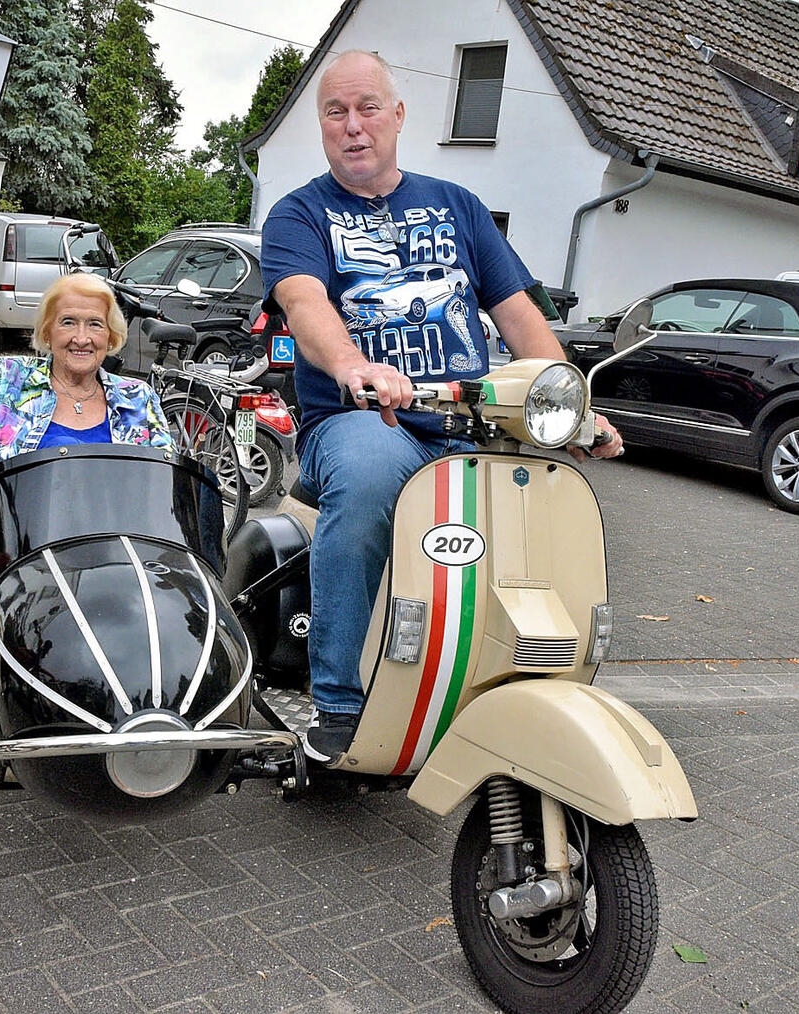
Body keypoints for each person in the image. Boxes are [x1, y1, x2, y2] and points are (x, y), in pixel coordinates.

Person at [259, 49, 623, 766]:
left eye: (368, 108)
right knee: (369, 475)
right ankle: (339, 701)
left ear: (398, 115)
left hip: (470, 422)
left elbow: (518, 315)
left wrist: (574, 405)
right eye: (336, 112)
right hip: (362, 419)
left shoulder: (458, 206)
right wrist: (355, 367)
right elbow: (303, 303)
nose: (353, 126)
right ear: (322, 126)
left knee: (540, 505)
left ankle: (504, 675)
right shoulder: (300, 213)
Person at [0, 272, 173, 528]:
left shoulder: (137, 398)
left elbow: (169, 488)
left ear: (110, 337)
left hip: (117, 544)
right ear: (47, 332)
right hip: (18, 543)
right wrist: (13, 477)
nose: (81, 338)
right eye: (68, 322)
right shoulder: (7, 379)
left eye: (95, 324)